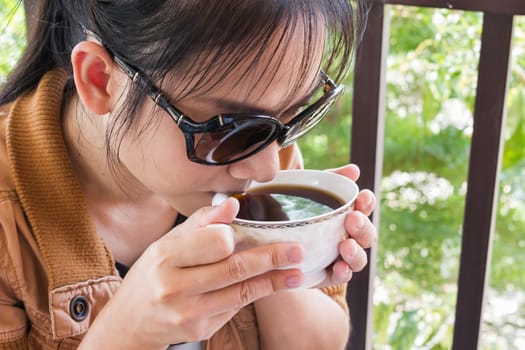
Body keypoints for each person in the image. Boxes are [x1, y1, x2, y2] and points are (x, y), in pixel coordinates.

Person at [0, 0, 377, 349]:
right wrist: (128, 330)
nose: (268, 168)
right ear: (101, 80)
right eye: (227, 128)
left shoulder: (263, 148)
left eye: (293, 115)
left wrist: (282, 253)